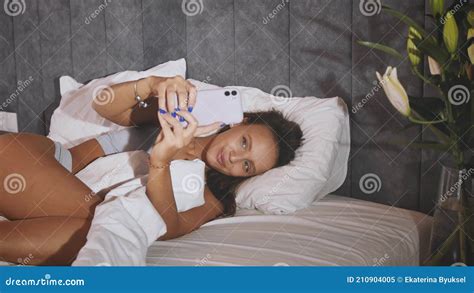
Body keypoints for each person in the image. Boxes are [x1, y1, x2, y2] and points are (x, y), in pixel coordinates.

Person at [0, 76, 303, 265]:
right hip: (36, 161)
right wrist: (152, 85)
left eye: (247, 166)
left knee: (99, 235)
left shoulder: (215, 196)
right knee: (108, 224)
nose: (235, 158)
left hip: (58, 213)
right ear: (239, 122)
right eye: (244, 142)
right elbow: (102, 103)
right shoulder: (179, 115)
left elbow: (169, 228)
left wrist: (161, 162)